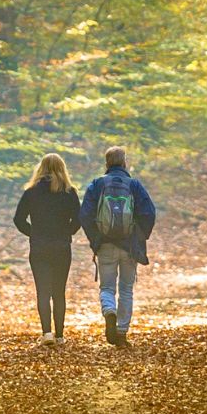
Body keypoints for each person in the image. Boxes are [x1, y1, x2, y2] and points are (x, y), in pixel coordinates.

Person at [79, 146, 156, 346]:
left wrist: (96, 239)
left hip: (105, 245)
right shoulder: (134, 185)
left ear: (107, 164)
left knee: (106, 287)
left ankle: (109, 311)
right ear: (124, 163)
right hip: (129, 247)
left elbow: (85, 215)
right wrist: (138, 237)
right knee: (126, 289)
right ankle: (121, 333)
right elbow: (149, 214)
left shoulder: (97, 184)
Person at [13, 153, 81, 345]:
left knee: (43, 291)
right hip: (61, 247)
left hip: (39, 247)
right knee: (59, 292)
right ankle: (60, 336)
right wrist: (67, 233)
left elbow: (18, 219)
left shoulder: (31, 192)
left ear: (40, 169)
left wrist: (32, 233)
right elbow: (79, 219)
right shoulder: (69, 192)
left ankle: (47, 333)